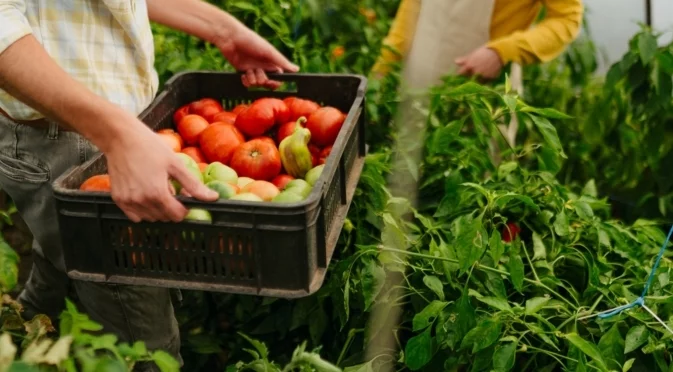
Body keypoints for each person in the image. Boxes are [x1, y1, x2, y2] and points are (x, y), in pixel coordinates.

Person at [0, 0, 298, 370]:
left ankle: (24, 331)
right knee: (139, 329)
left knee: (66, 248)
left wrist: (223, 28)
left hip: (122, 125)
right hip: (64, 131)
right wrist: (118, 135)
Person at [371, 0, 584, 91]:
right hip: (416, 85)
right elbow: (411, 10)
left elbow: (566, 20)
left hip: (484, 95)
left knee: (475, 177)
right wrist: (381, 72)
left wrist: (502, 52)